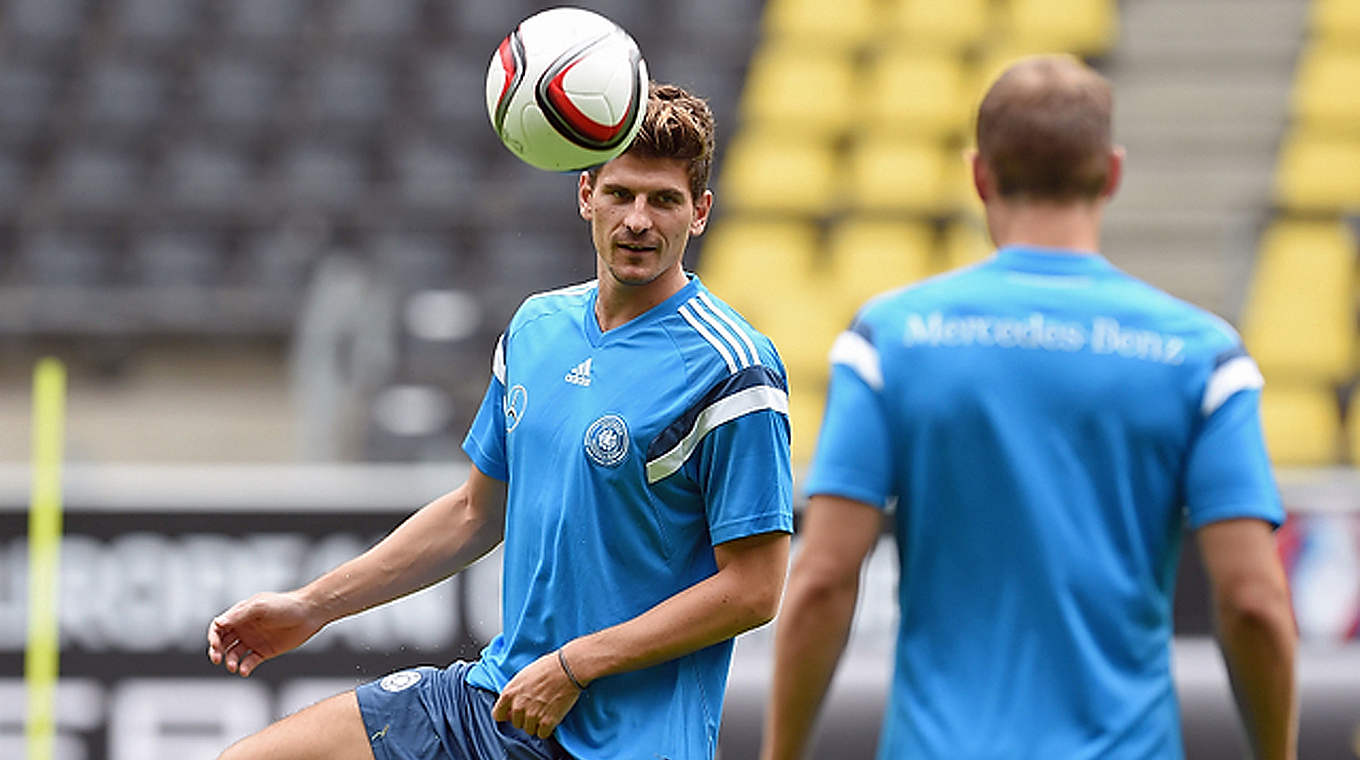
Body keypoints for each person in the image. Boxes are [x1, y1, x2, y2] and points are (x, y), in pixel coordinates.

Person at [208, 82, 794, 760]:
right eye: (621, 194)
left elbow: (753, 589)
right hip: (495, 700)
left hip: (622, 744)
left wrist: (577, 664)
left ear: (699, 213)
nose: (638, 219)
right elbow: (473, 513)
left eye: (663, 200)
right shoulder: (535, 327)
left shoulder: (733, 366)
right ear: (586, 195)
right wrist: (311, 606)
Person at [760, 56, 1297, 760]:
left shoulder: (889, 340)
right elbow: (1253, 602)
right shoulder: (1203, 357)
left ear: (980, 174)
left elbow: (825, 576)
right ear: (1111, 173)